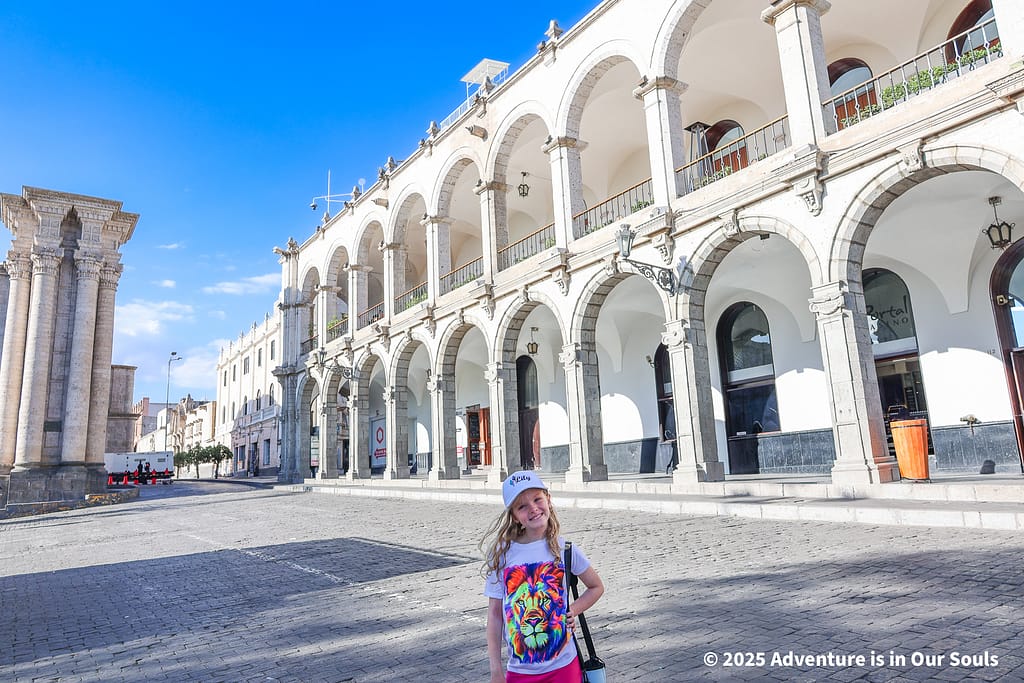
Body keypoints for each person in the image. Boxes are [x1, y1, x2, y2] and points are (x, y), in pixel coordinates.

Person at [482, 471, 604, 683]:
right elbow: (494, 615)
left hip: (565, 667)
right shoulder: (502, 554)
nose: (533, 509)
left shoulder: (565, 549)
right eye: (522, 506)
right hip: (520, 671)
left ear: (548, 499)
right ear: (514, 515)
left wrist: (573, 610)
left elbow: (596, 587)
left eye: (537, 499)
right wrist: (495, 670)